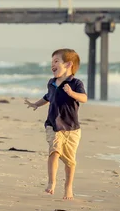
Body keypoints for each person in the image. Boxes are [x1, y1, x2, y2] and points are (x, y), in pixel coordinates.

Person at [25, 48, 87, 200]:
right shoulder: (51, 83)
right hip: (53, 125)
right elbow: (47, 97)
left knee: (70, 162)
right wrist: (36, 104)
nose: (52, 64)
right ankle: (51, 182)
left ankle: (68, 187)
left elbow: (84, 98)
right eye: (51, 62)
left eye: (56, 61)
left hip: (72, 128)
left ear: (68, 64)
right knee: (54, 151)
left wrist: (71, 93)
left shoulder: (76, 83)